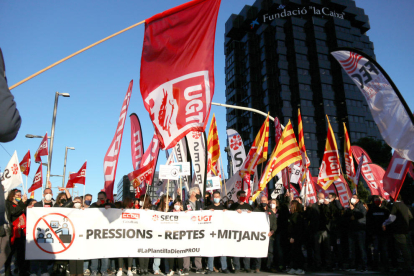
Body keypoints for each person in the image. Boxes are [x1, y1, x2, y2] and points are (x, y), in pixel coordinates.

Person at [383, 194, 413, 272]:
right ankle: (409, 265)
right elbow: (410, 216)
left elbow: (391, 218)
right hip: (406, 230)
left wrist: (384, 223)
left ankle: (408, 267)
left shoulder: (396, 205)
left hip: (398, 230)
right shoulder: (404, 205)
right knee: (407, 248)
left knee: (403, 248)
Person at [203, 191, 229, 274]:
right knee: (211, 250)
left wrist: (227, 213)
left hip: (221, 232)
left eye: (218, 196)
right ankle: (210, 268)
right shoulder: (208, 208)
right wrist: (207, 212)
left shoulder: (223, 208)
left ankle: (224, 267)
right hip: (211, 232)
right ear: (212, 198)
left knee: (222, 250)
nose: (216, 198)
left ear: (220, 197)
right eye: (215, 197)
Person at [90, 191, 114, 276]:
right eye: (98, 198)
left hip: (106, 232)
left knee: (105, 252)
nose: (100, 200)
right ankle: (94, 270)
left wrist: (110, 208)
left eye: (102, 199)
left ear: (106, 198)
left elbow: (117, 212)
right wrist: (97, 205)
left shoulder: (110, 205)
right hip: (95, 232)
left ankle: (103, 270)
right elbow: (88, 212)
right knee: (95, 252)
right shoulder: (94, 205)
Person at [5, 189, 28, 276]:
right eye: (17, 195)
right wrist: (22, 203)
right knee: (9, 254)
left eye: (20, 194)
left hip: (22, 234)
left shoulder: (22, 205)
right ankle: (8, 272)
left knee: (21, 254)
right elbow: (14, 212)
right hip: (13, 233)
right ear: (12, 196)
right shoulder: (9, 205)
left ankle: (21, 271)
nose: (19, 196)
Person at [308, 192, 332, 271]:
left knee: (326, 248)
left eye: (323, 198)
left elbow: (329, 214)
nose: (322, 199)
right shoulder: (313, 206)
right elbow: (309, 216)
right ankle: (318, 264)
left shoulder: (325, 206)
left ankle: (328, 264)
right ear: (317, 198)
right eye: (321, 198)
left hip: (325, 229)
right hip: (316, 230)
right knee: (317, 249)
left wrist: (326, 205)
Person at [230, 191, 252, 273]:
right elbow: (229, 216)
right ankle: (237, 267)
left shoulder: (248, 206)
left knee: (246, 248)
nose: (243, 197)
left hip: (246, 230)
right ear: (237, 196)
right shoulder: (233, 206)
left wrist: (251, 213)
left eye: (244, 195)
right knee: (236, 249)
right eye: (242, 195)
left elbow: (253, 217)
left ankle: (247, 266)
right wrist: (235, 212)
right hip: (236, 230)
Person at [183, 187, 204, 274]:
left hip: (198, 228)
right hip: (187, 228)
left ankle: (198, 266)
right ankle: (186, 267)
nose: (199, 194)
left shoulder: (200, 203)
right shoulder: (185, 203)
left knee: (197, 247)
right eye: (198, 192)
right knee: (187, 247)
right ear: (193, 193)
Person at [345, 194, 367, 272]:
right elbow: (346, 217)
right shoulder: (349, 207)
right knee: (352, 249)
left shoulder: (361, 206)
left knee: (361, 248)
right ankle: (353, 265)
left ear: (358, 199)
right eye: (352, 198)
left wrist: (354, 209)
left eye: (354, 198)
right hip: (351, 230)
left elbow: (362, 214)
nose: (352, 199)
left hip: (359, 230)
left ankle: (364, 265)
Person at [253, 195, 276, 273]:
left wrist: (272, 231)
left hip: (269, 235)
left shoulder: (271, 212)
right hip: (259, 235)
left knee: (270, 252)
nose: (263, 202)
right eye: (262, 201)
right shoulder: (256, 211)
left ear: (267, 202)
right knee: (258, 251)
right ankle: (257, 267)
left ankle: (268, 266)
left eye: (264, 201)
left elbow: (274, 223)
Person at [367, 197, 389, 272]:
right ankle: (382, 265)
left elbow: (369, 222)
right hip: (379, 233)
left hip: (379, 233)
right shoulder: (384, 210)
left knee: (380, 250)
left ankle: (381, 265)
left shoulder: (374, 210)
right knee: (381, 250)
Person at [286, 200, 305, 275]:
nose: (290, 206)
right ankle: (294, 267)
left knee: (298, 252)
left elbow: (298, 228)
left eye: (291, 205)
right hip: (292, 237)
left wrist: (293, 237)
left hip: (297, 238)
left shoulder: (298, 216)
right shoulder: (292, 215)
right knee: (293, 253)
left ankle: (301, 268)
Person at [167, 200, 185, 276]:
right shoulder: (170, 212)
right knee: (171, 253)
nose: (177, 205)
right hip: (171, 235)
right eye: (175, 203)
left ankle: (180, 269)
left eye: (178, 204)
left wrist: (185, 211)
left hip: (180, 235)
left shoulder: (184, 213)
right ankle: (171, 269)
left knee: (180, 253)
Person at [117, 197, 134, 276]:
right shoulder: (120, 210)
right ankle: (120, 269)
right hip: (121, 234)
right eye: (131, 202)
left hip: (131, 235)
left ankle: (129, 269)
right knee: (121, 252)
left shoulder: (134, 211)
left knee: (130, 252)